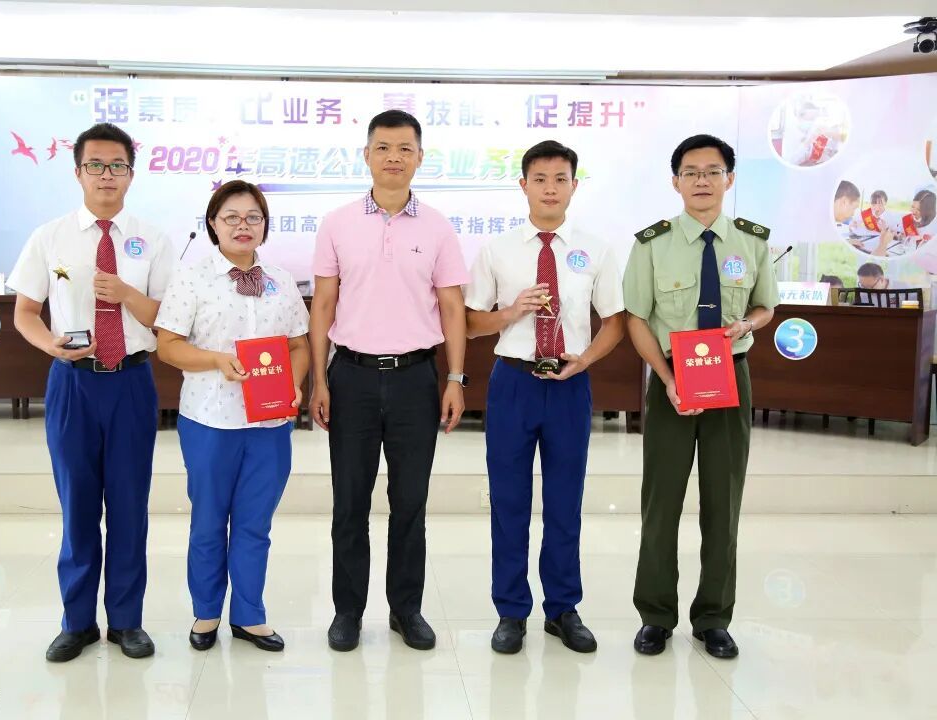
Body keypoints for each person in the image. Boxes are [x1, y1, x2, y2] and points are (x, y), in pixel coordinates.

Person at [7, 123, 174, 662]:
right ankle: (76, 622)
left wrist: (125, 293)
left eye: (117, 165)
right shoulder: (49, 236)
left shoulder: (153, 239)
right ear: (78, 172)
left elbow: (166, 317)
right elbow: (25, 313)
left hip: (131, 381)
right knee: (78, 505)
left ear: (131, 173)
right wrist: (50, 346)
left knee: (128, 506)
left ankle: (126, 621)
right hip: (73, 383)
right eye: (96, 165)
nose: (107, 175)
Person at [309, 110, 469, 652]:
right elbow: (323, 305)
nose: (394, 157)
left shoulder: (438, 226)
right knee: (349, 503)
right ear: (366, 155)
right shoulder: (337, 222)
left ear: (420, 157)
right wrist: (319, 380)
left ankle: (406, 609)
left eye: (404, 148)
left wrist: (455, 378)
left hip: (415, 380)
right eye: (383, 147)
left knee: (410, 503)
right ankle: (347, 611)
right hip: (350, 377)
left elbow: (452, 308)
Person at [465, 140, 624, 655]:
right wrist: (511, 312)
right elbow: (470, 323)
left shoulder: (596, 249)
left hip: (569, 384)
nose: (550, 188)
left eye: (560, 179)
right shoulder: (498, 249)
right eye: (540, 179)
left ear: (574, 186)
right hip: (513, 383)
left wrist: (586, 359)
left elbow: (615, 321)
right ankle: (511, 610)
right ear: (524, 185)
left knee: (563, 502)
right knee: (509, 502)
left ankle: (562, 608)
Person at [623, 134, 779, 660]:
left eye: (713, 171)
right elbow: (636, 318)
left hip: (730, 378)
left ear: (729, 179)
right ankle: (655, 616)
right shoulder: (653, 243)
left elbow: (766, 306)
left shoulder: (751, 242)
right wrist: (666, 379)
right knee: (661, 503)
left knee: (723, 502)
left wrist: (748, 324)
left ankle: (713, 618)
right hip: (672, 379)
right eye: (691, 172)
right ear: (676, 182)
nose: (702, 181)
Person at [155, 181, 309, 653]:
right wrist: (216, 360)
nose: (243, 225)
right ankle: (206, 613)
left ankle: (249, 616)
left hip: (269, 425)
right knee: (207, 523)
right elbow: (168, 346)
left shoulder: (281, 280)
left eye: (253, 217)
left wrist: (295, 383)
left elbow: (298, 345)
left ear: (264, 225)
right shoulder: (192, 278)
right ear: (213, 224)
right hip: (210, 421)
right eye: (232, 217)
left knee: (254, 525)